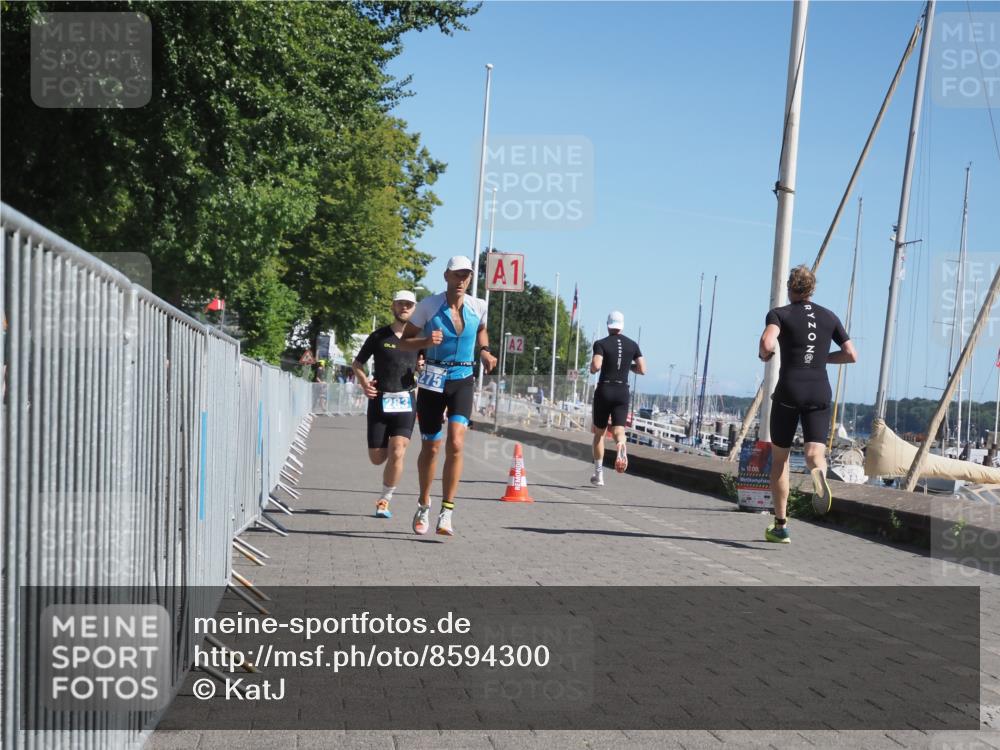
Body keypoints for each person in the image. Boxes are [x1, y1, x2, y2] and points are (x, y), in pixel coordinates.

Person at [399, 256, 498, 536]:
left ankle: (447, 511)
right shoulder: (429, 305)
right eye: (456, 275)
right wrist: (427, 342)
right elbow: (404, 340)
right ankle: (423, 503)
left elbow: (481, 329)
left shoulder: (478, 306)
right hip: (432, 378)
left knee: (456, 441)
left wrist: (485, 351)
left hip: (462, 378)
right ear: (446, 276)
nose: (461, 280)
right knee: (431, 447)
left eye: (466, 275)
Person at [758, 265, 858, 543]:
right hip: (819, 390)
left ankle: (780, 526)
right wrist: (822, 358)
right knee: (815, 454)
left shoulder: (780, 313)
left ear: (790, 288)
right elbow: (851, 354)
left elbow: (768, 342)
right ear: (812, 289)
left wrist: (765, 355)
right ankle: (818, 474)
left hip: (790, 390)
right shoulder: (829, 316)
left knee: (780, 460)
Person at [351, 290, 421, 519]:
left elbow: (429, 366)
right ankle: (388, 470)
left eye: (409, 304)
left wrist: (422, 368)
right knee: (377, 458)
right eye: (401, 304)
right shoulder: (379, 336)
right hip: (380, 401)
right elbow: (357, 364)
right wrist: (364, 383)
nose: (405, 308)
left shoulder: (421, 338)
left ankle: (385, 499)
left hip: (406, 401)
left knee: (398, 451)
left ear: (414, 309)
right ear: (393, 306)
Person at [589, 311, 646, 486]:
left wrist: (592, 369)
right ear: (622, 325)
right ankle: (621, 444)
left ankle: (599, 475)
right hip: (622, 390)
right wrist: (627, 366)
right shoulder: (633, 344)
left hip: (605, 389)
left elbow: (596, 365)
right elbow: (642, 369)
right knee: (618, 430)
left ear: (608, 325)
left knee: (599, 433)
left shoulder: (601, 343)